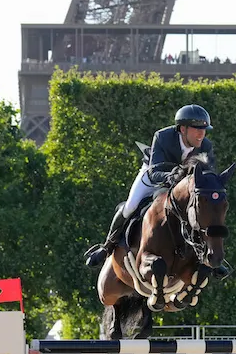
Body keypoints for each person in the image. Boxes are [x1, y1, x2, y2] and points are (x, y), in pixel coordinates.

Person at [84, 104, 216, 268]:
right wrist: (170, 176)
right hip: (155, 176)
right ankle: (106, 247)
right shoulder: (162, 137)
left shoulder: (206, 145)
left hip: (181, 184)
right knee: (131, 206)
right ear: (183, 129)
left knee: (200, 210)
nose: (201, 134)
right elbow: (155, 171)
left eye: (204, 129)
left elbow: (208, 174)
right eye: (197, 129)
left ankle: (209, 255)